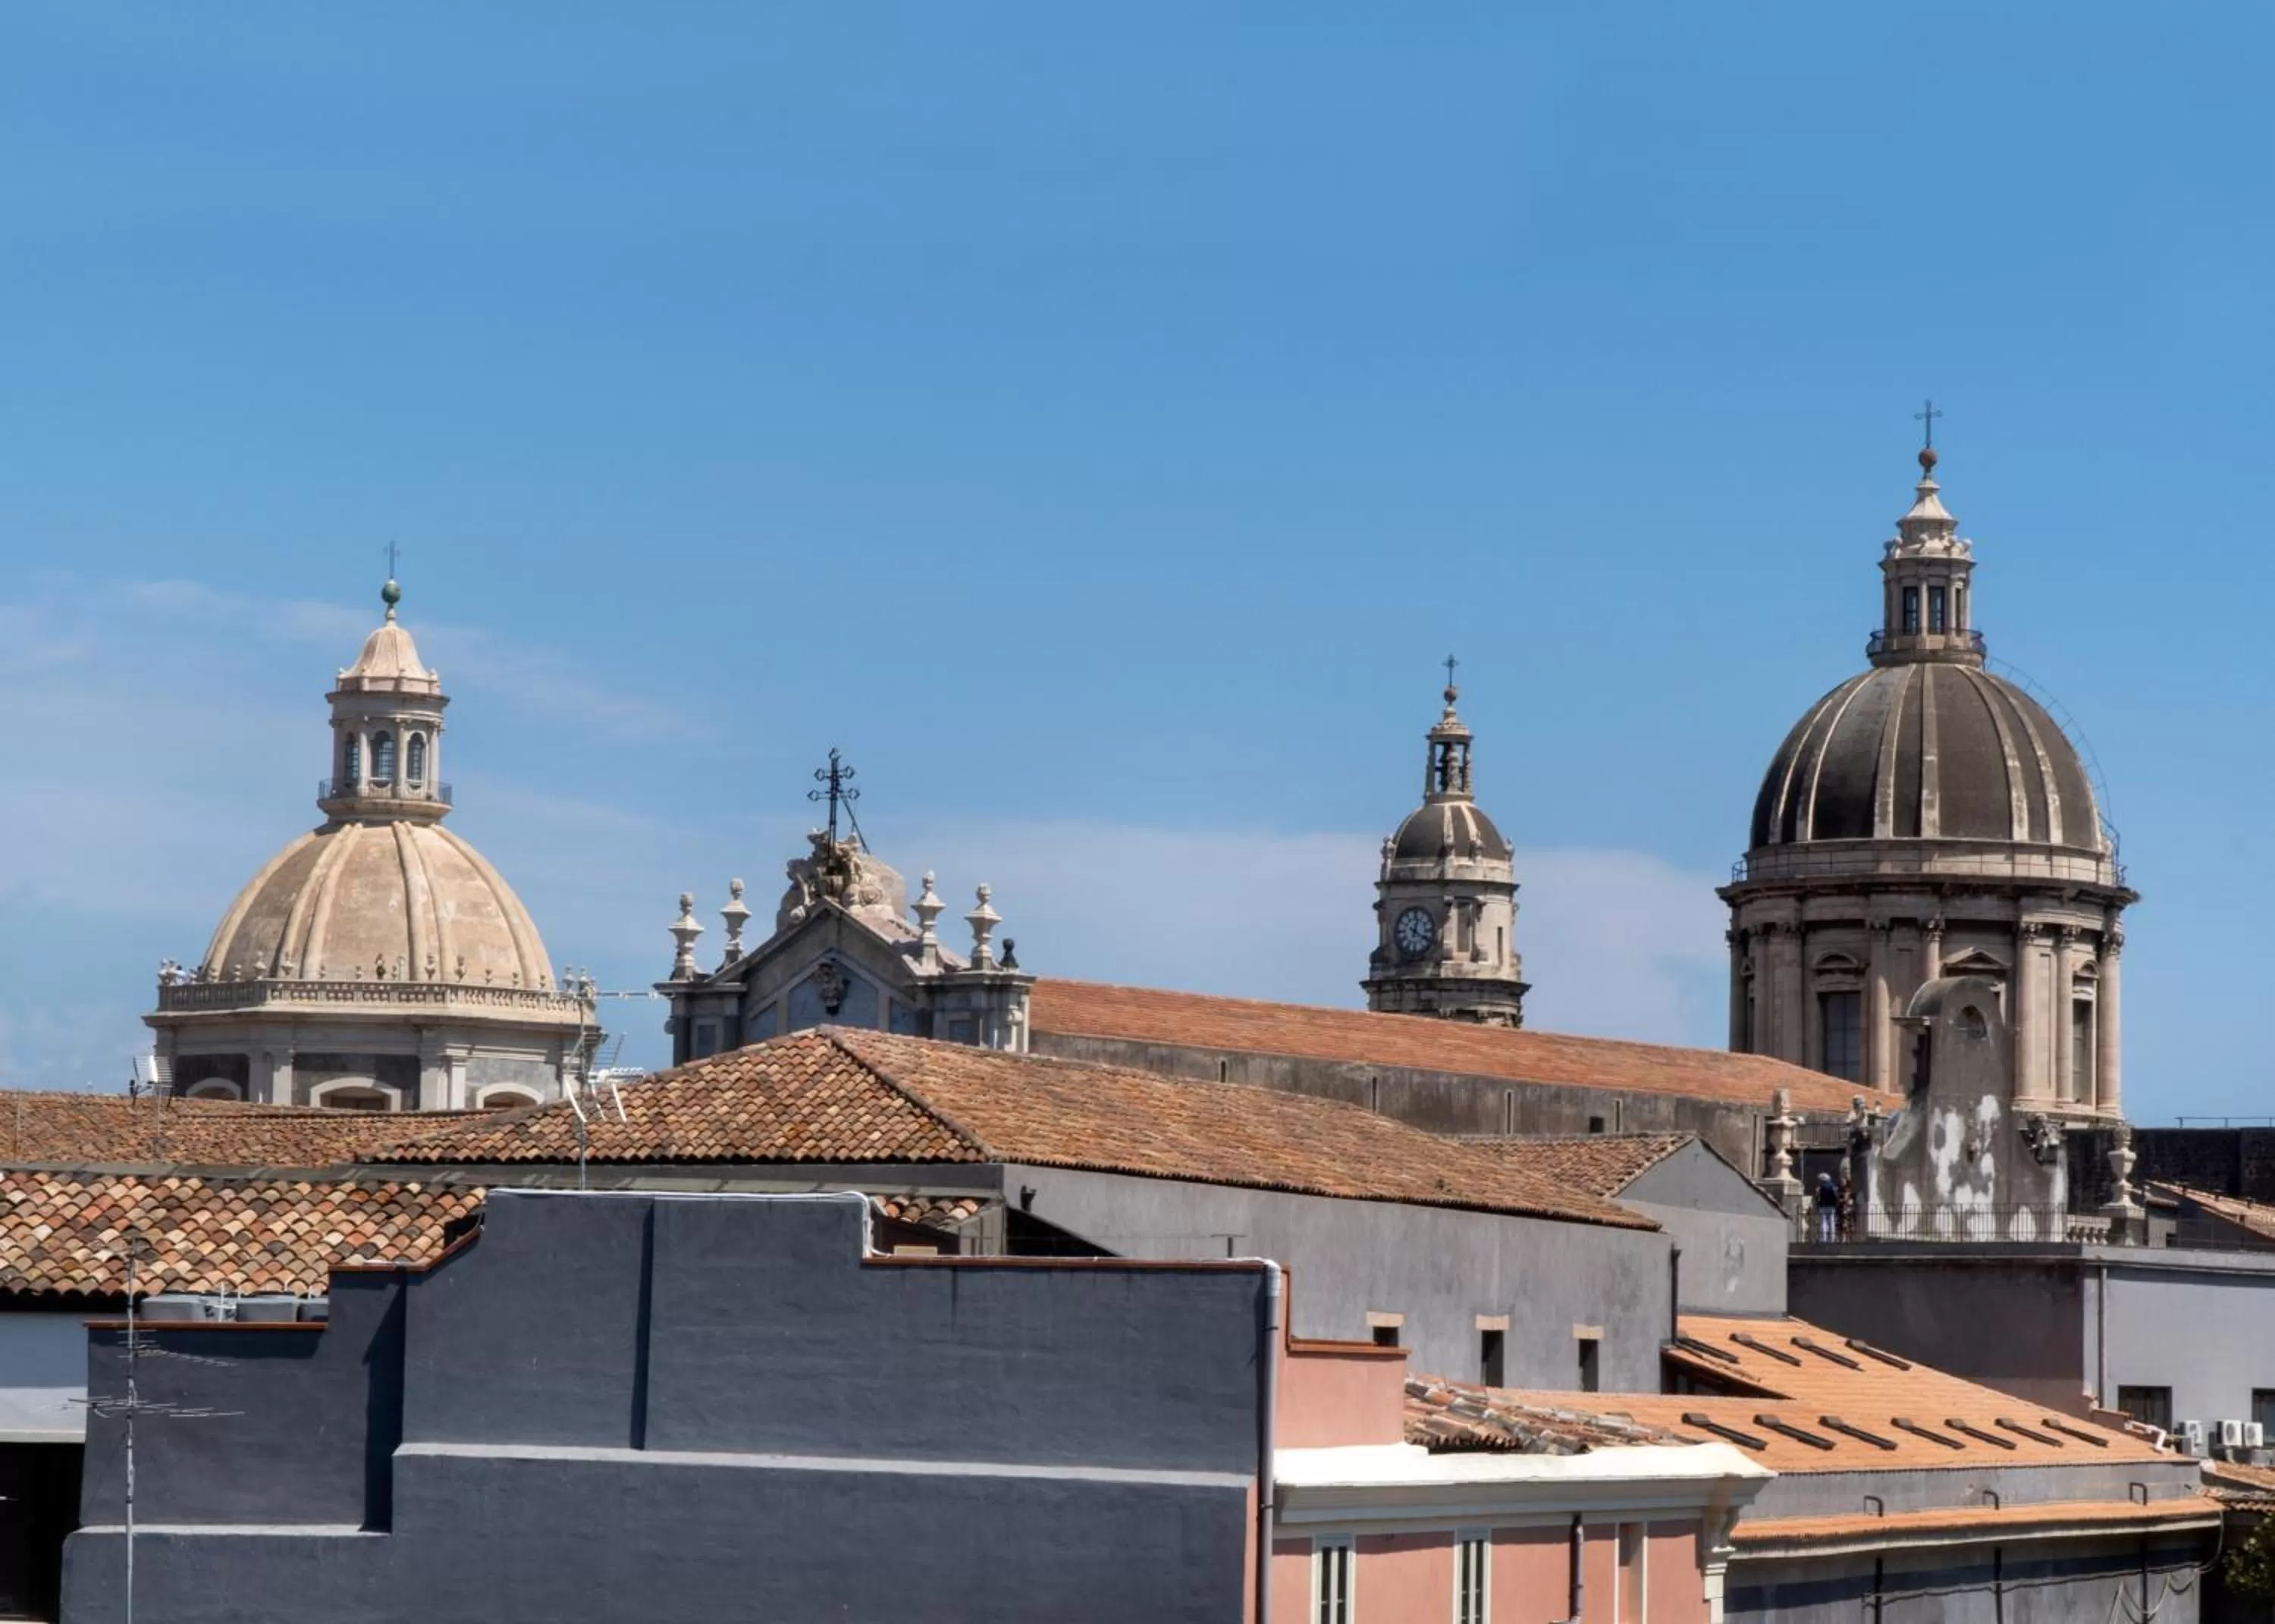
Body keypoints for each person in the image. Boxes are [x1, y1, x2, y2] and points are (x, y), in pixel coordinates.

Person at [1813, 1172, 1839, 1242]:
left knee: (1823, 1222)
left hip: (1823, 1206)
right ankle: (1832, 1238)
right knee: (1832, 1222)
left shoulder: (1820, 1187)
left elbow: (1817, 1196)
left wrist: (1817, 1204)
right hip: (1832, 1206)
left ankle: (1824, 1238)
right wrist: (1836, 1204)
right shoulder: (1833, 1186)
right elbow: (1836, 1196)